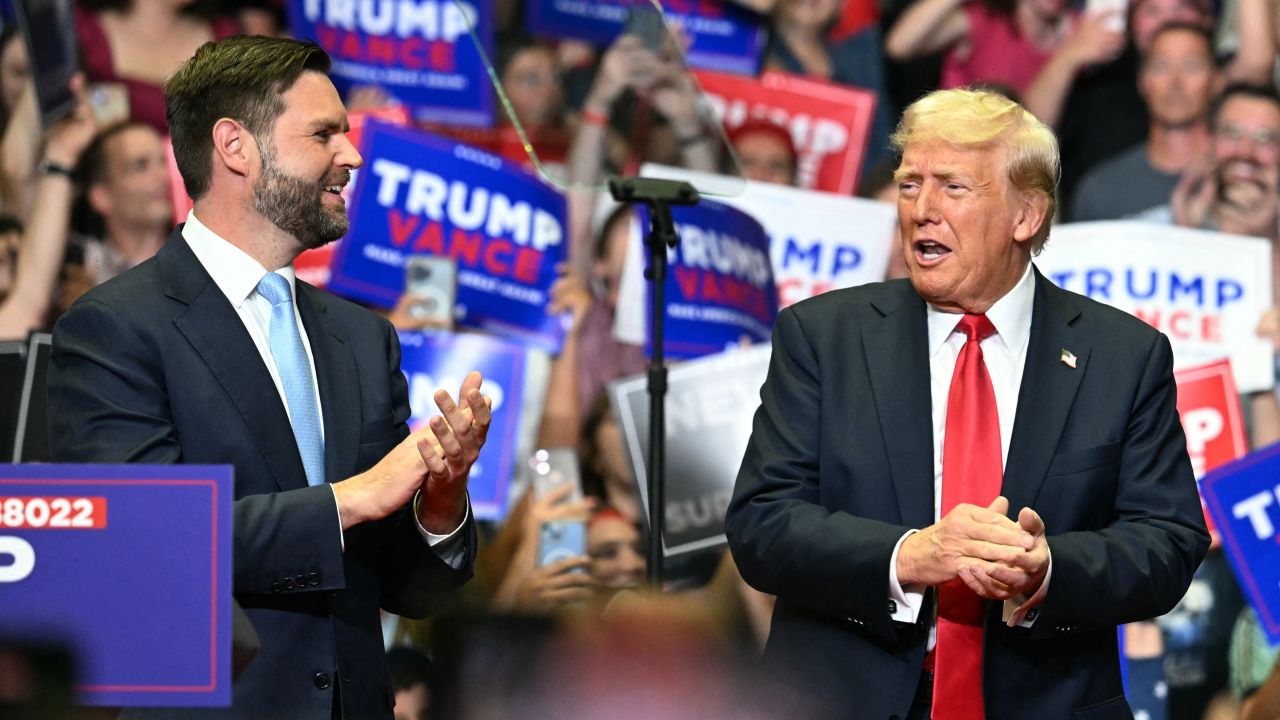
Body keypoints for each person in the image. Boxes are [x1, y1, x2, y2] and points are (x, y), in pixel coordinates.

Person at [725, 88, 1210, 719]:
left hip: (1044, 701)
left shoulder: (1122, 355)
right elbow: (761, 524)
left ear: (1026, 215)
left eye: (952, 187)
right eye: (909, 185)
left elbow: (1168, 541)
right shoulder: (822, 337)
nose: (922, 209)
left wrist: (1048, 569)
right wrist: (909, 556)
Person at [46, 36, 490, 719]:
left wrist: (441, 495)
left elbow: (411, 590)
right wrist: (355, 496)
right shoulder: (114, 327)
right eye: (324, 134)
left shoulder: (363, 338)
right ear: (235, 146)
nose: (353, 154)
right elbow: (145, 540)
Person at [1070, 22, 1217, 221]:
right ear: (1142, 81)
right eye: (1161, 67)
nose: (1176, 82)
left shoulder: (1238, 180)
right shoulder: (1101, 190)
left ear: (1216, 80)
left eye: (1191, 66)